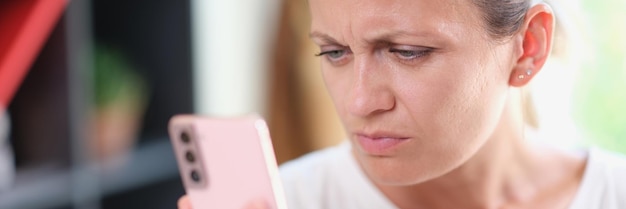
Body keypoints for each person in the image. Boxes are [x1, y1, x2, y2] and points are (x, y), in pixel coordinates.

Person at [179, 0, 626, 208]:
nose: (359, 102)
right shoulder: (292, 202)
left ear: (527, 47)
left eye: (407, 51)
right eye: (334, 52)